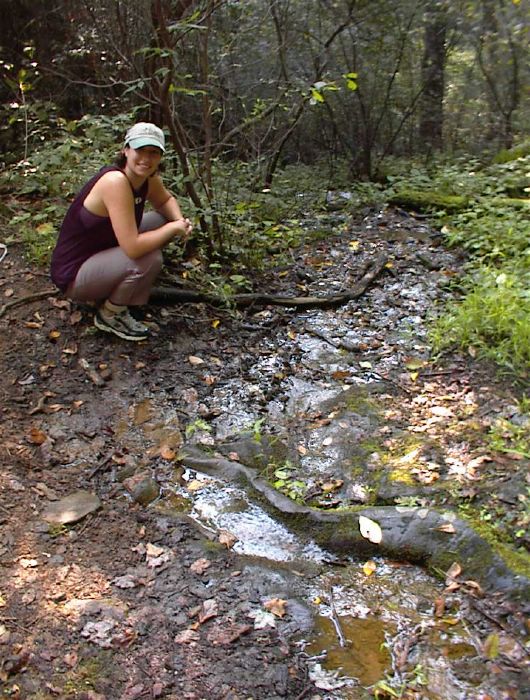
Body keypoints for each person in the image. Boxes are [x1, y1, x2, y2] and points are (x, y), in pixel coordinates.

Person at [50, 122, 193, 341]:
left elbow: (165, 200)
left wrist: (178, 221)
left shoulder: (148, 178)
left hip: (103, 249)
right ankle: (110, 313)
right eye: (140, 150)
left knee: (161, 219)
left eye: (153, 153)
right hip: (74, 274)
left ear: (160, 157)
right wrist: (173, 228)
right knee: (150, 258)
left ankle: (121, 289)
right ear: (126, 150)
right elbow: (133, 248)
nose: (146, 158)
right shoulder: (115, 182)